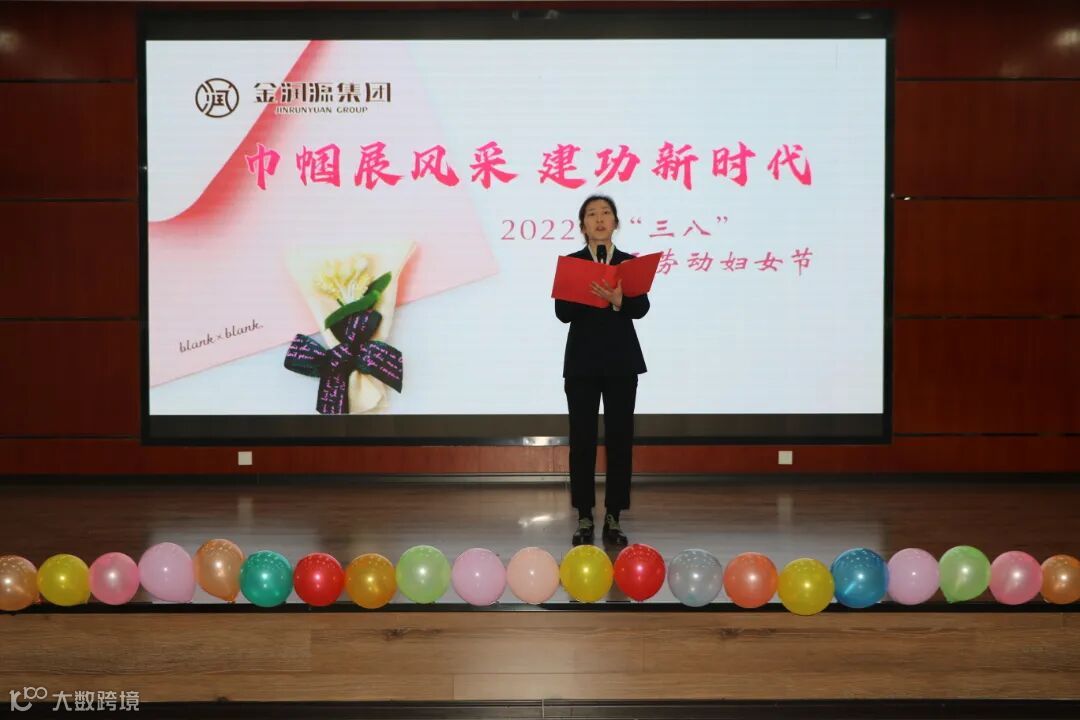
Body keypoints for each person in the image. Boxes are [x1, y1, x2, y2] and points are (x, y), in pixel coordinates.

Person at [555, 194, 650, 547]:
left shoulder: (629, 264)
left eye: (606, 213)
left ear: (615, 222)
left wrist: (618, 300)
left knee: (620, 440)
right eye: (592, 214)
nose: (599, 219)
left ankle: (613, 516)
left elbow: (641, 308)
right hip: (582, 363)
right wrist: (591, 294)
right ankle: (583, 514)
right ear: (582, 226)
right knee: (581, 441)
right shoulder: (572, 263)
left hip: (621, 363)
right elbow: (562, 313)